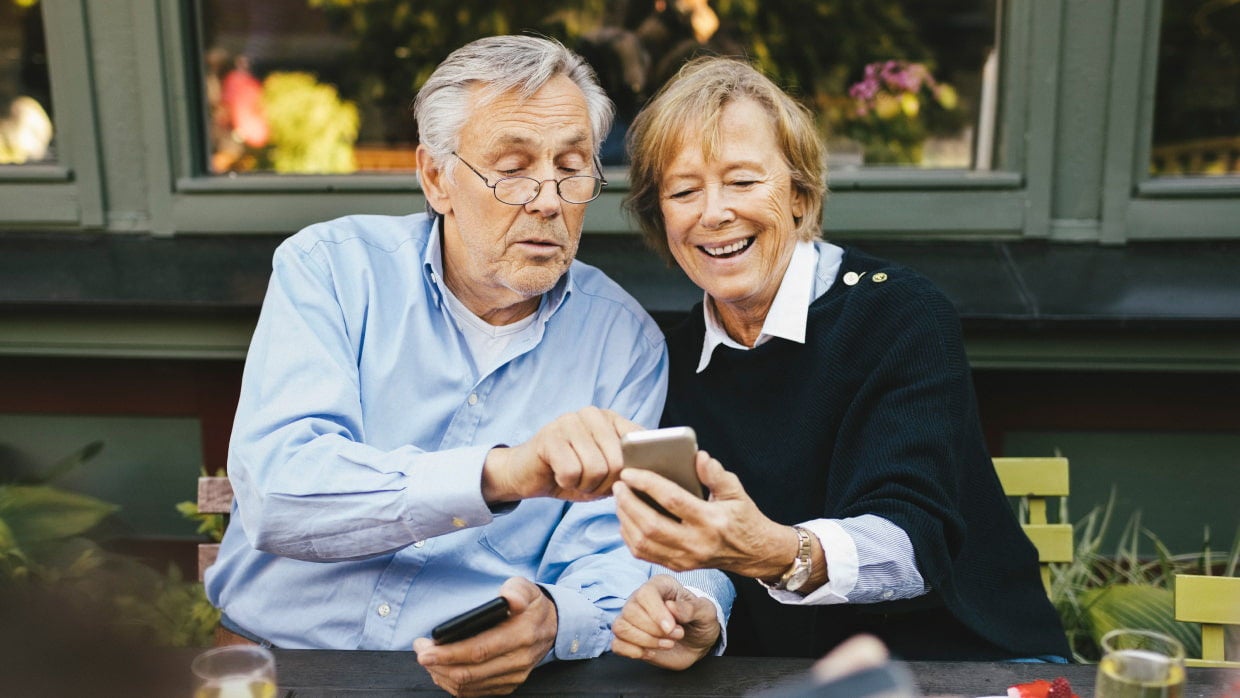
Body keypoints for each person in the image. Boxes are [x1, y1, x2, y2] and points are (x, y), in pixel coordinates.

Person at [205, 35, 730, 697]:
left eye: (572, 167)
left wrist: (554, 621)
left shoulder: (623, 341)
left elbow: (616, 554)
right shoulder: (333, 269)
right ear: (435, 178)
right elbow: (278, 491)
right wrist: (501, 473)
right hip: (279, 666)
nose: (548, 200)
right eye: (512, 168)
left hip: (473, 684)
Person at [607, 56, 1070, 662]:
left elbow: (913, 543)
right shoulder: (671, 359)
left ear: (799, 195)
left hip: (964, 663)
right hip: (782, 678)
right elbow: (704, 547)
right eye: (684, 190)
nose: (713, 212)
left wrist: (775, 550)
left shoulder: (901, 315)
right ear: (661, 217)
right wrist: (697, 609)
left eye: (743, 181)